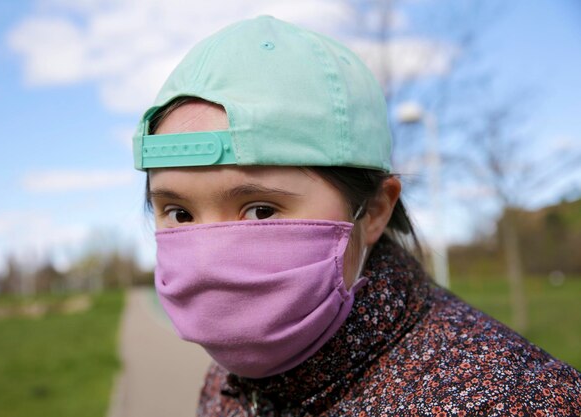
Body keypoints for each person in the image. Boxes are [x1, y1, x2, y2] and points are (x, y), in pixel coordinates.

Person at [132, 16, 581, 416]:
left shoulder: (521, 400)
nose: (208, 261)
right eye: (180, 213)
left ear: (375, 212)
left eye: (260, 210)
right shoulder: (226, 385)